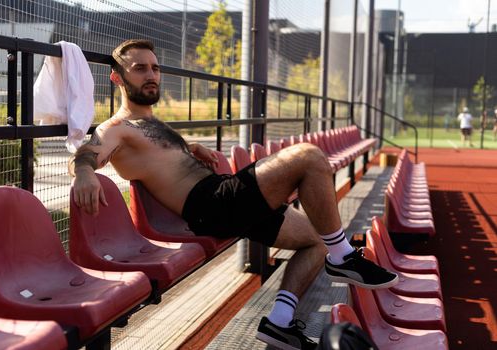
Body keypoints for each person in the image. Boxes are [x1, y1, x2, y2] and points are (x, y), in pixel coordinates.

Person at [69, 39, 398, 350]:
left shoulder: (152, 122)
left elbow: (161, 159)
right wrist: (84, 172)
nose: (151, 75)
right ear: (117, 77)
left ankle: (280, 322)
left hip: (221, 198)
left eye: (155, 68)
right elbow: (87, 153)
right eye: (139, 68)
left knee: (314, 239)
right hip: (210, 204)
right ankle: (343, 257)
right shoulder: (116, 128)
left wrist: (190, 148)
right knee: (308, 157)